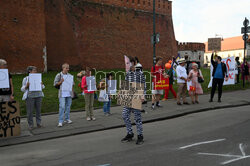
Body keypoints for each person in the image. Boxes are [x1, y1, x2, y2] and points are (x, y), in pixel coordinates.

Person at [121, 57, 146, 145]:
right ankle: (130, 133)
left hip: (137, 97)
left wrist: (143, 95)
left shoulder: (140, 74)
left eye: (129, 63)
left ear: (134, 64)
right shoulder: (128, 74)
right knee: (124, 115)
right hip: (129, 97)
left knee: (137, 118)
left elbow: (144, 85)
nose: (128, 65)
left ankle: (140, 136)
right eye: (127, 64)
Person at [21, 66, 45, 130]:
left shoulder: (38, 78)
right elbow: (22, 89)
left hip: (38, 95)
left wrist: (42, 84)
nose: (36, 71)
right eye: (34, 70)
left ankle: (39, 123)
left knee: (38, 110)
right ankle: (30, 125)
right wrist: (26, 86)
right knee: (30, 111)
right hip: (30, 97)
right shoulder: (26, 79)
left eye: (36, 70)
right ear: (30, 71)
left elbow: (43, 87)